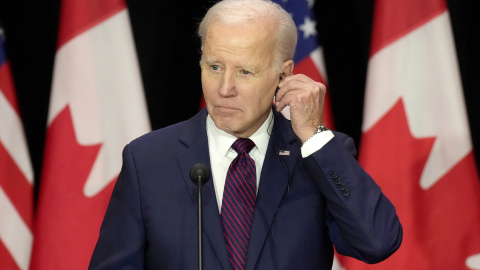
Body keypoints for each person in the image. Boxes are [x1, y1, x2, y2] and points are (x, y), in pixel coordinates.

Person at [89, 0, 402, 269]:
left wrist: (314, 138)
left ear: (284, 75)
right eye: (214, 67)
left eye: (245, 72)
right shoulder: (148, 160)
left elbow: (377, 243)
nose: (225, 89)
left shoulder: (316, 155)